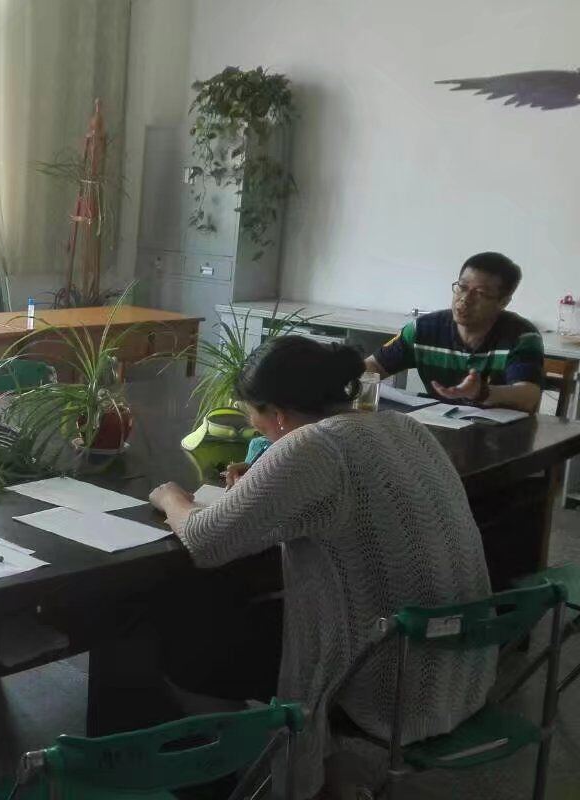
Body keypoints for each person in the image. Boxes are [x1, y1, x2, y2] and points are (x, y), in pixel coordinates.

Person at [150, 336, 493, 799]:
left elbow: (207, 540)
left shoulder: (315, 445)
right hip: (461, 659)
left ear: (277, 414)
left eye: (253, 417)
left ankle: (254, 773)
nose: (254, 427)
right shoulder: (402, 426)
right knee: (237, 616)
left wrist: (171, 496)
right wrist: (268, 480)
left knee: (186, 652)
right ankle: (329, 771)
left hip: (387, 677)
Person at [366, 251, 543, 413]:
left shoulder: (521, 336)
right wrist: (352, 373)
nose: (465, 299)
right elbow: (374, 366)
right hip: (439, 424)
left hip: (500, 431)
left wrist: (481, 392)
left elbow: (528, 395)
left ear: (503, 302)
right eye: (462, 287)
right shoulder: (423, 329)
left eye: (480, 293)